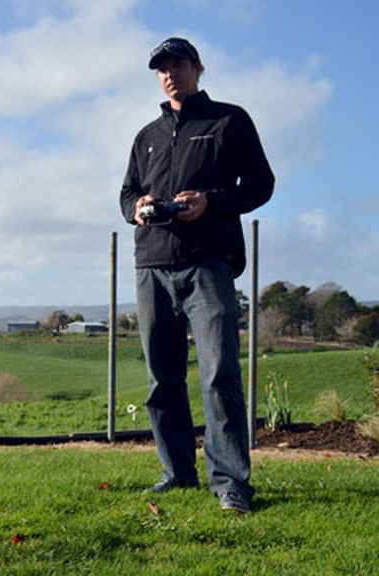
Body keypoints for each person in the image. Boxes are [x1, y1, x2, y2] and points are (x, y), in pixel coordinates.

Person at [119, 37, 274, 513]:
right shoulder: (146, 135)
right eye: (162, 68)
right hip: (152, 267)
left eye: (178, 65)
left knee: (218, 375)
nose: (170, 74)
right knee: (161, 379)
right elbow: (126, 195)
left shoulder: (229, 120)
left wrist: (210, 202)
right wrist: (140, 208)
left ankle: (230, 482)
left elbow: (262, 185)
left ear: (198, 68)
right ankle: (177, 471)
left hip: (208, 264)